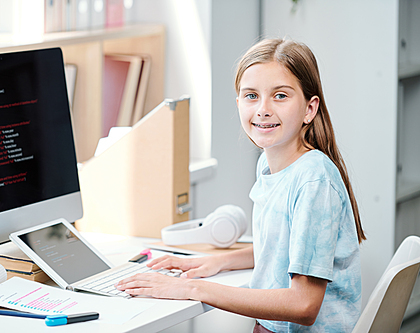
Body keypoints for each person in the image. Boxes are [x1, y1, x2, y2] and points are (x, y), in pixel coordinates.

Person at [115, 38, 366, 332]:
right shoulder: (270, 164)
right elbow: (280, 247)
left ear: (309, 109)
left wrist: (192, 289)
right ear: (238, 104)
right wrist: (217, 262)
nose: (263, 109)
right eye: (251, 96)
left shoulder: (313, 180)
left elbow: (303, 305)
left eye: (280, 96)